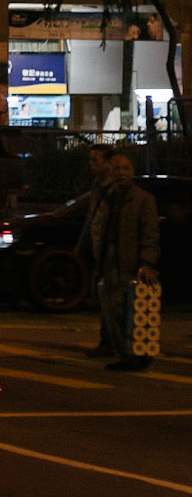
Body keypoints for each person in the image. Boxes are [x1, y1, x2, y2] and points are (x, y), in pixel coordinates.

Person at [80, 152, 159, 371]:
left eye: (125, 169)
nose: (122, 173)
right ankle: (130, 355)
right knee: (112, 312)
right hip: (109, 265)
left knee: (123, 313)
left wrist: (147, 263)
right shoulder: (111, 197)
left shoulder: (143, 200)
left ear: (132, 172)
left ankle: (133, 356)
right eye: (117, 169)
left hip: (129, 266)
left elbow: (150, 235)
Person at [73, 146, 116, 356]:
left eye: (95, 160)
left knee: (109, 298)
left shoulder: (116, 188)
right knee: (102, 296)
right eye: (90, 160)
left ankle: (111, 342)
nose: (91, 165)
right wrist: (81, 248)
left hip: (113, 252)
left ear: (108, 163)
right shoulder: (97, 185)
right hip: (100, 250)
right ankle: (107, 341)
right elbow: (92, 218)